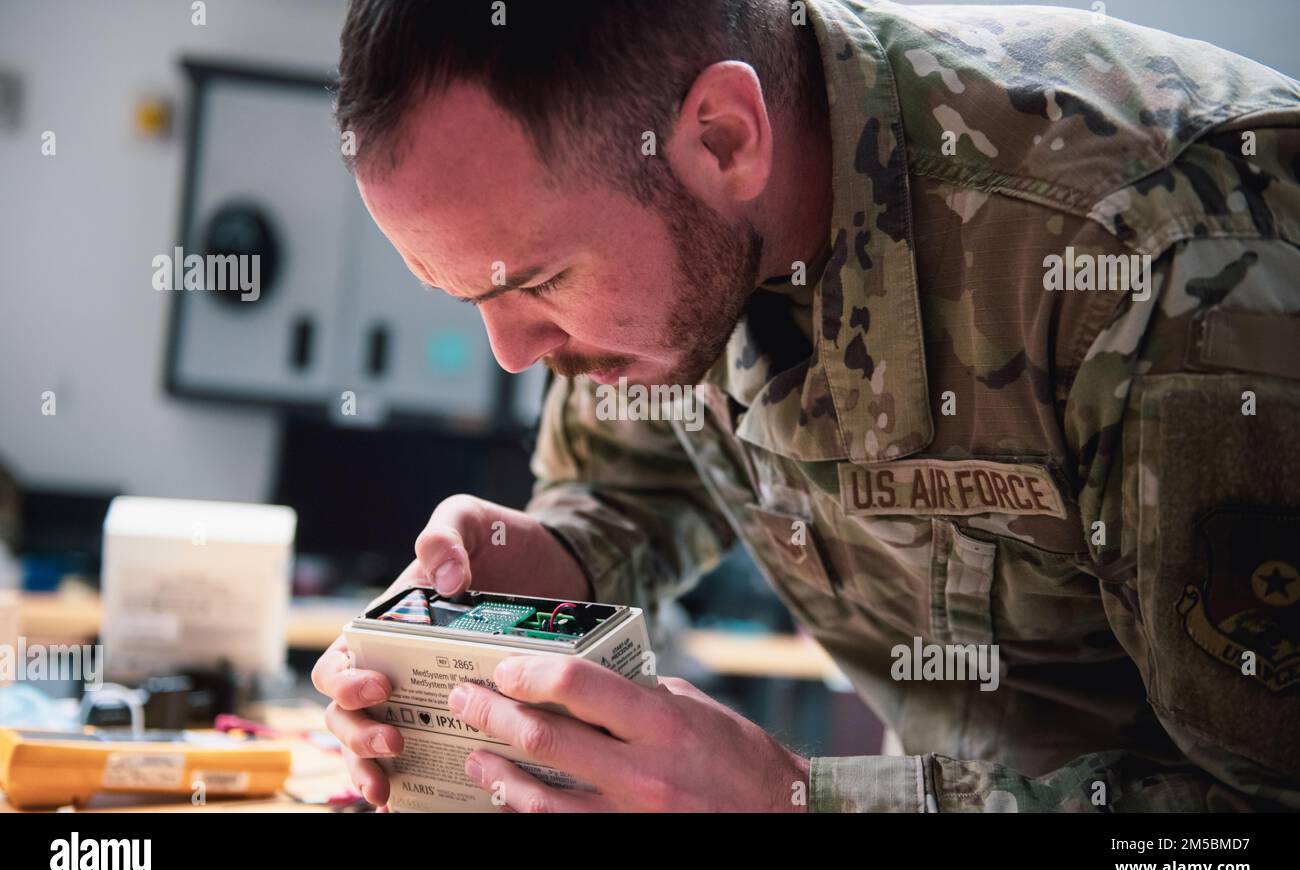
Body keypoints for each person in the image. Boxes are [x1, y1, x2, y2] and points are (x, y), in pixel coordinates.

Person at [312, 0, 1300, 811]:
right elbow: (634, 479)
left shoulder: (1164, 258)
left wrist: (790, 799)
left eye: (538, 281)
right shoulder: (673, 240)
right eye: (466, 296)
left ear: (722, 136)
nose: (515, 352)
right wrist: (549, 567)